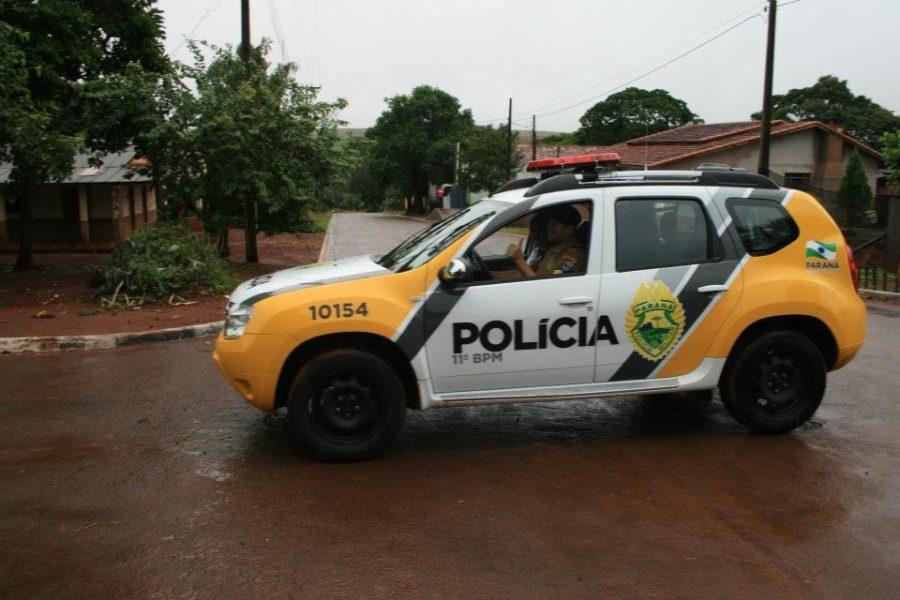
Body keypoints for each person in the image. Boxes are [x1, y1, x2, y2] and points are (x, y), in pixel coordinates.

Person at [506, 205, 586, 277]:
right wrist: (495, 274)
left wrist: (519, 260)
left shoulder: (572, 255)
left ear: (569, 229)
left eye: (555, 224)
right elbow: (529, 271)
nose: (549, 227)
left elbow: (549, 285)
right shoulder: (554, 248)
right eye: (549, 223)